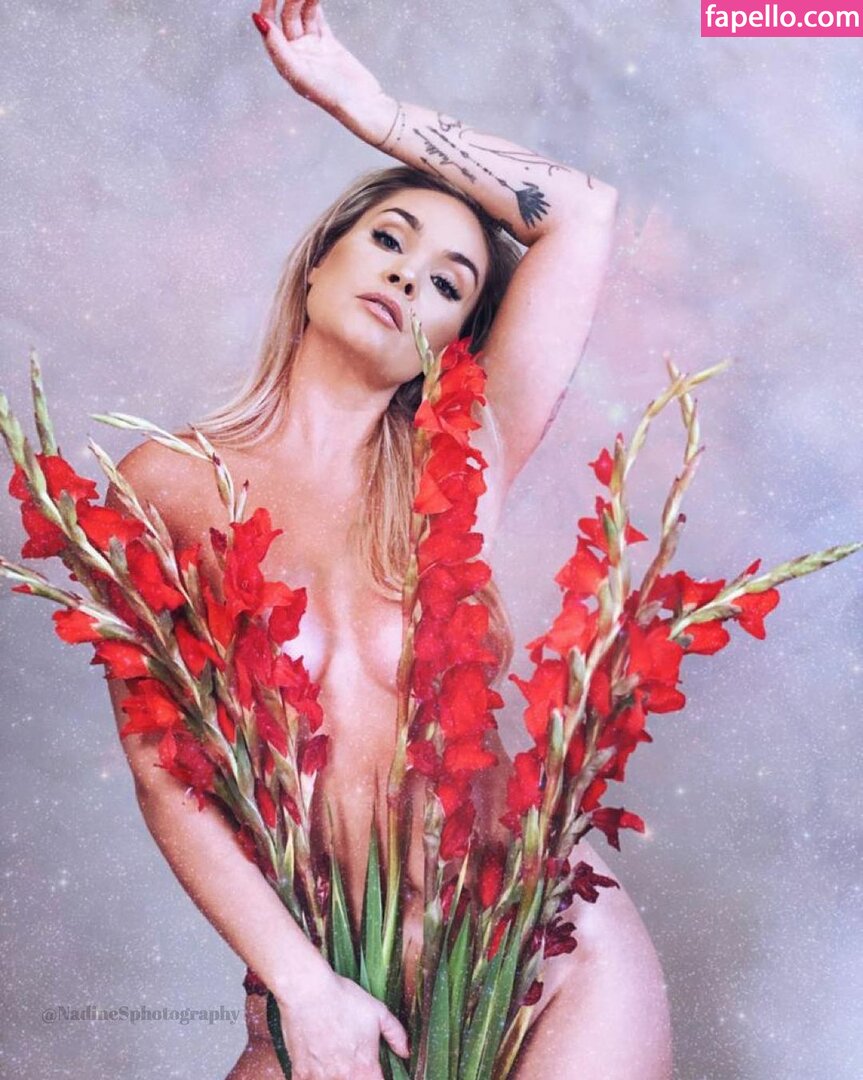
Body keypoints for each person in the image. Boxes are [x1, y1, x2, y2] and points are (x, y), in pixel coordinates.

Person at [104, 2, 672, 1077]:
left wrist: (367, 109)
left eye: (449, 282)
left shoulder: (458, 466)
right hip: (328, 986)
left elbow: (580, 211)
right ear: (319, 262)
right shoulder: (165, 483)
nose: (411, 275)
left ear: (446, 344)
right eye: (388, 238)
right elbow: (162, 775)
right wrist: (303, 988)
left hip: (536, 958)